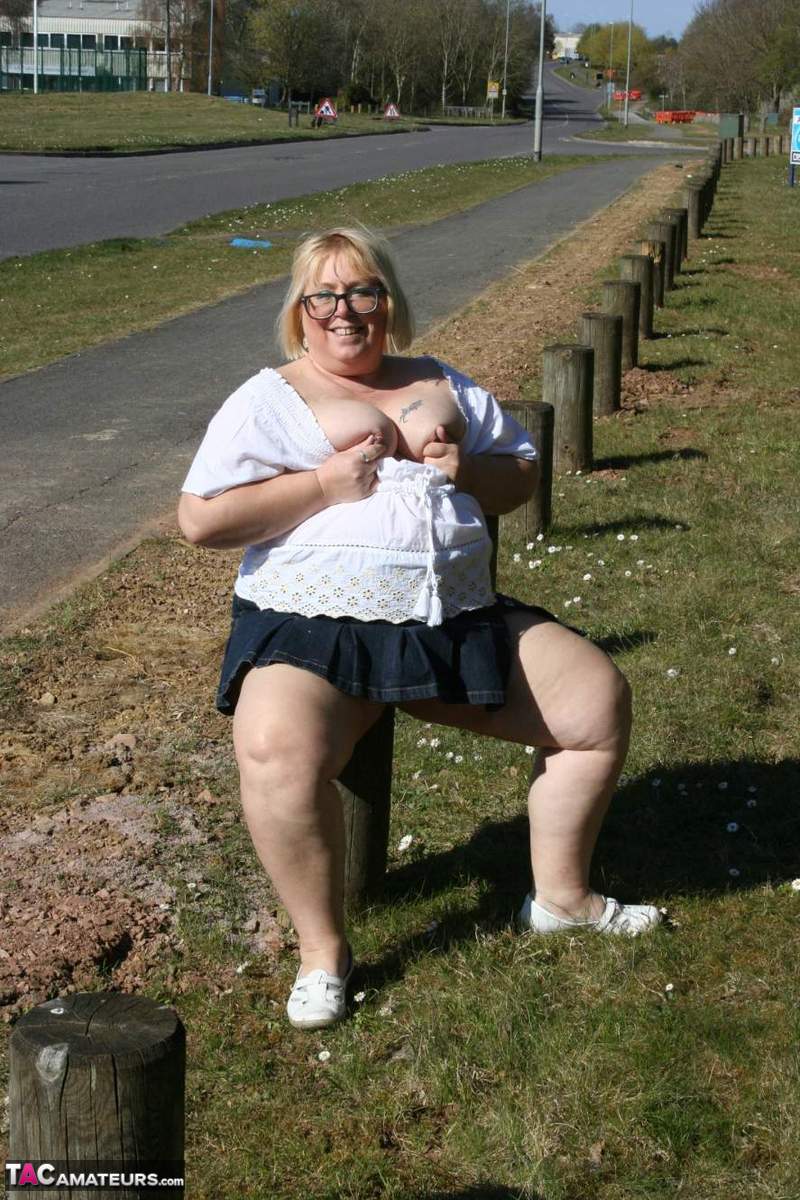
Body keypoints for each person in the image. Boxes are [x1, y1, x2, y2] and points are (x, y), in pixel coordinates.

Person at [178, 227, 660, 1031]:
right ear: (300, 312)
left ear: (389, 302)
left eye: (362, 292)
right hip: (316, 626)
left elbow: (520, 473)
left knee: (595, 703)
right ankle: (323, 953)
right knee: (273, 751)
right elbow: (201, 520)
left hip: (452, 619)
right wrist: (323, 486)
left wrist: (465, 470)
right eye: (324, 296)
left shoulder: (441, 381)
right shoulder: (270, 398)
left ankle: (562, 899)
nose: (344, 311)